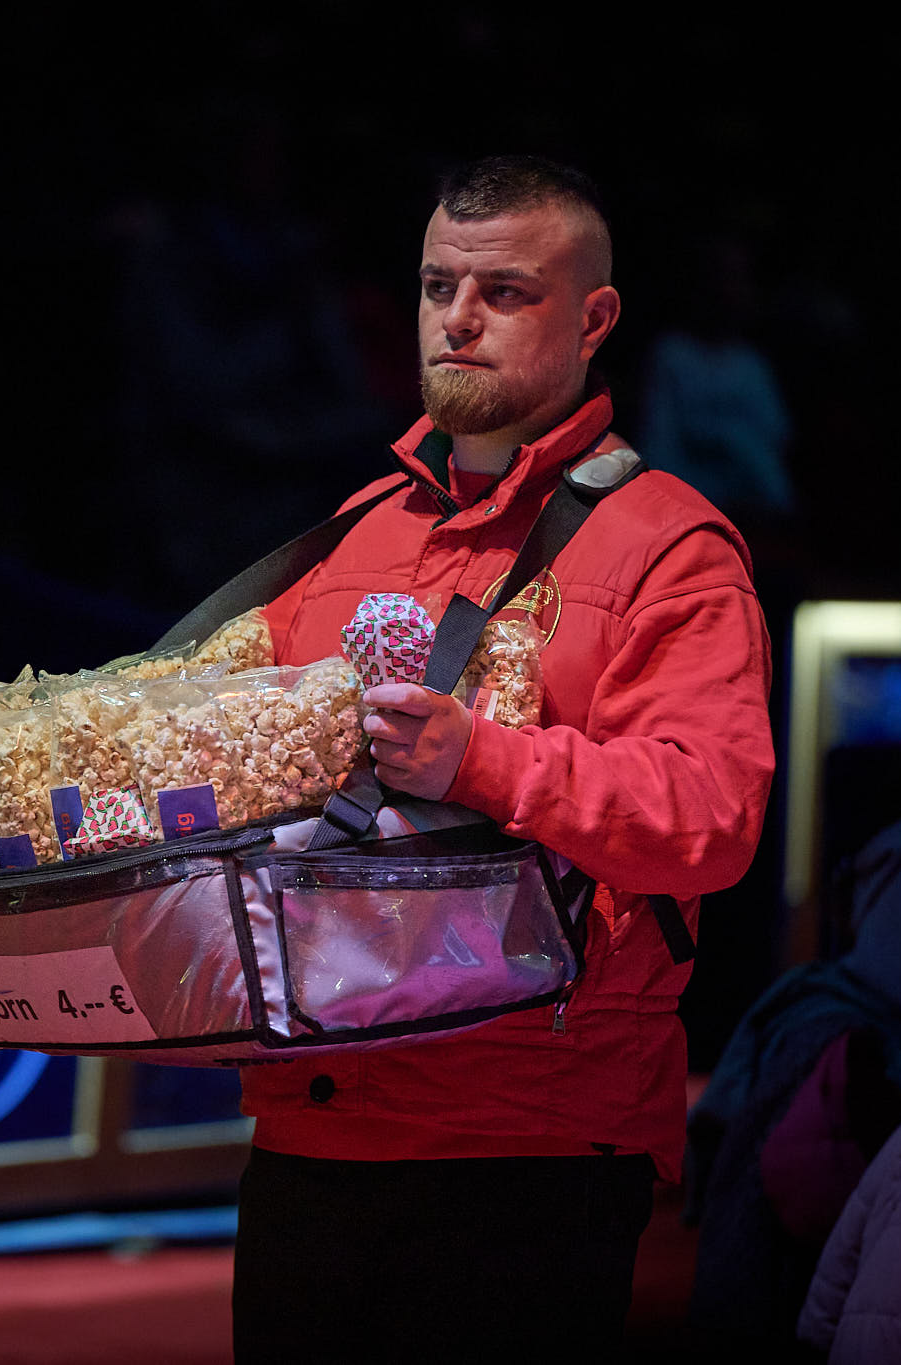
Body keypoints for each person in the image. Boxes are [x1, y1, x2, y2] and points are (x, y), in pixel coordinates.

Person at [229, 155, 775, 1360]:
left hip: (532, 1138)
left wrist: (481, 759)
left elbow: (711, 816)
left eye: (504, 292)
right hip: (314, 1121)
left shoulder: (669, 545)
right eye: (438, 287)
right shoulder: (351, 534)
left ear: (593, 317)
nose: (457, 319)